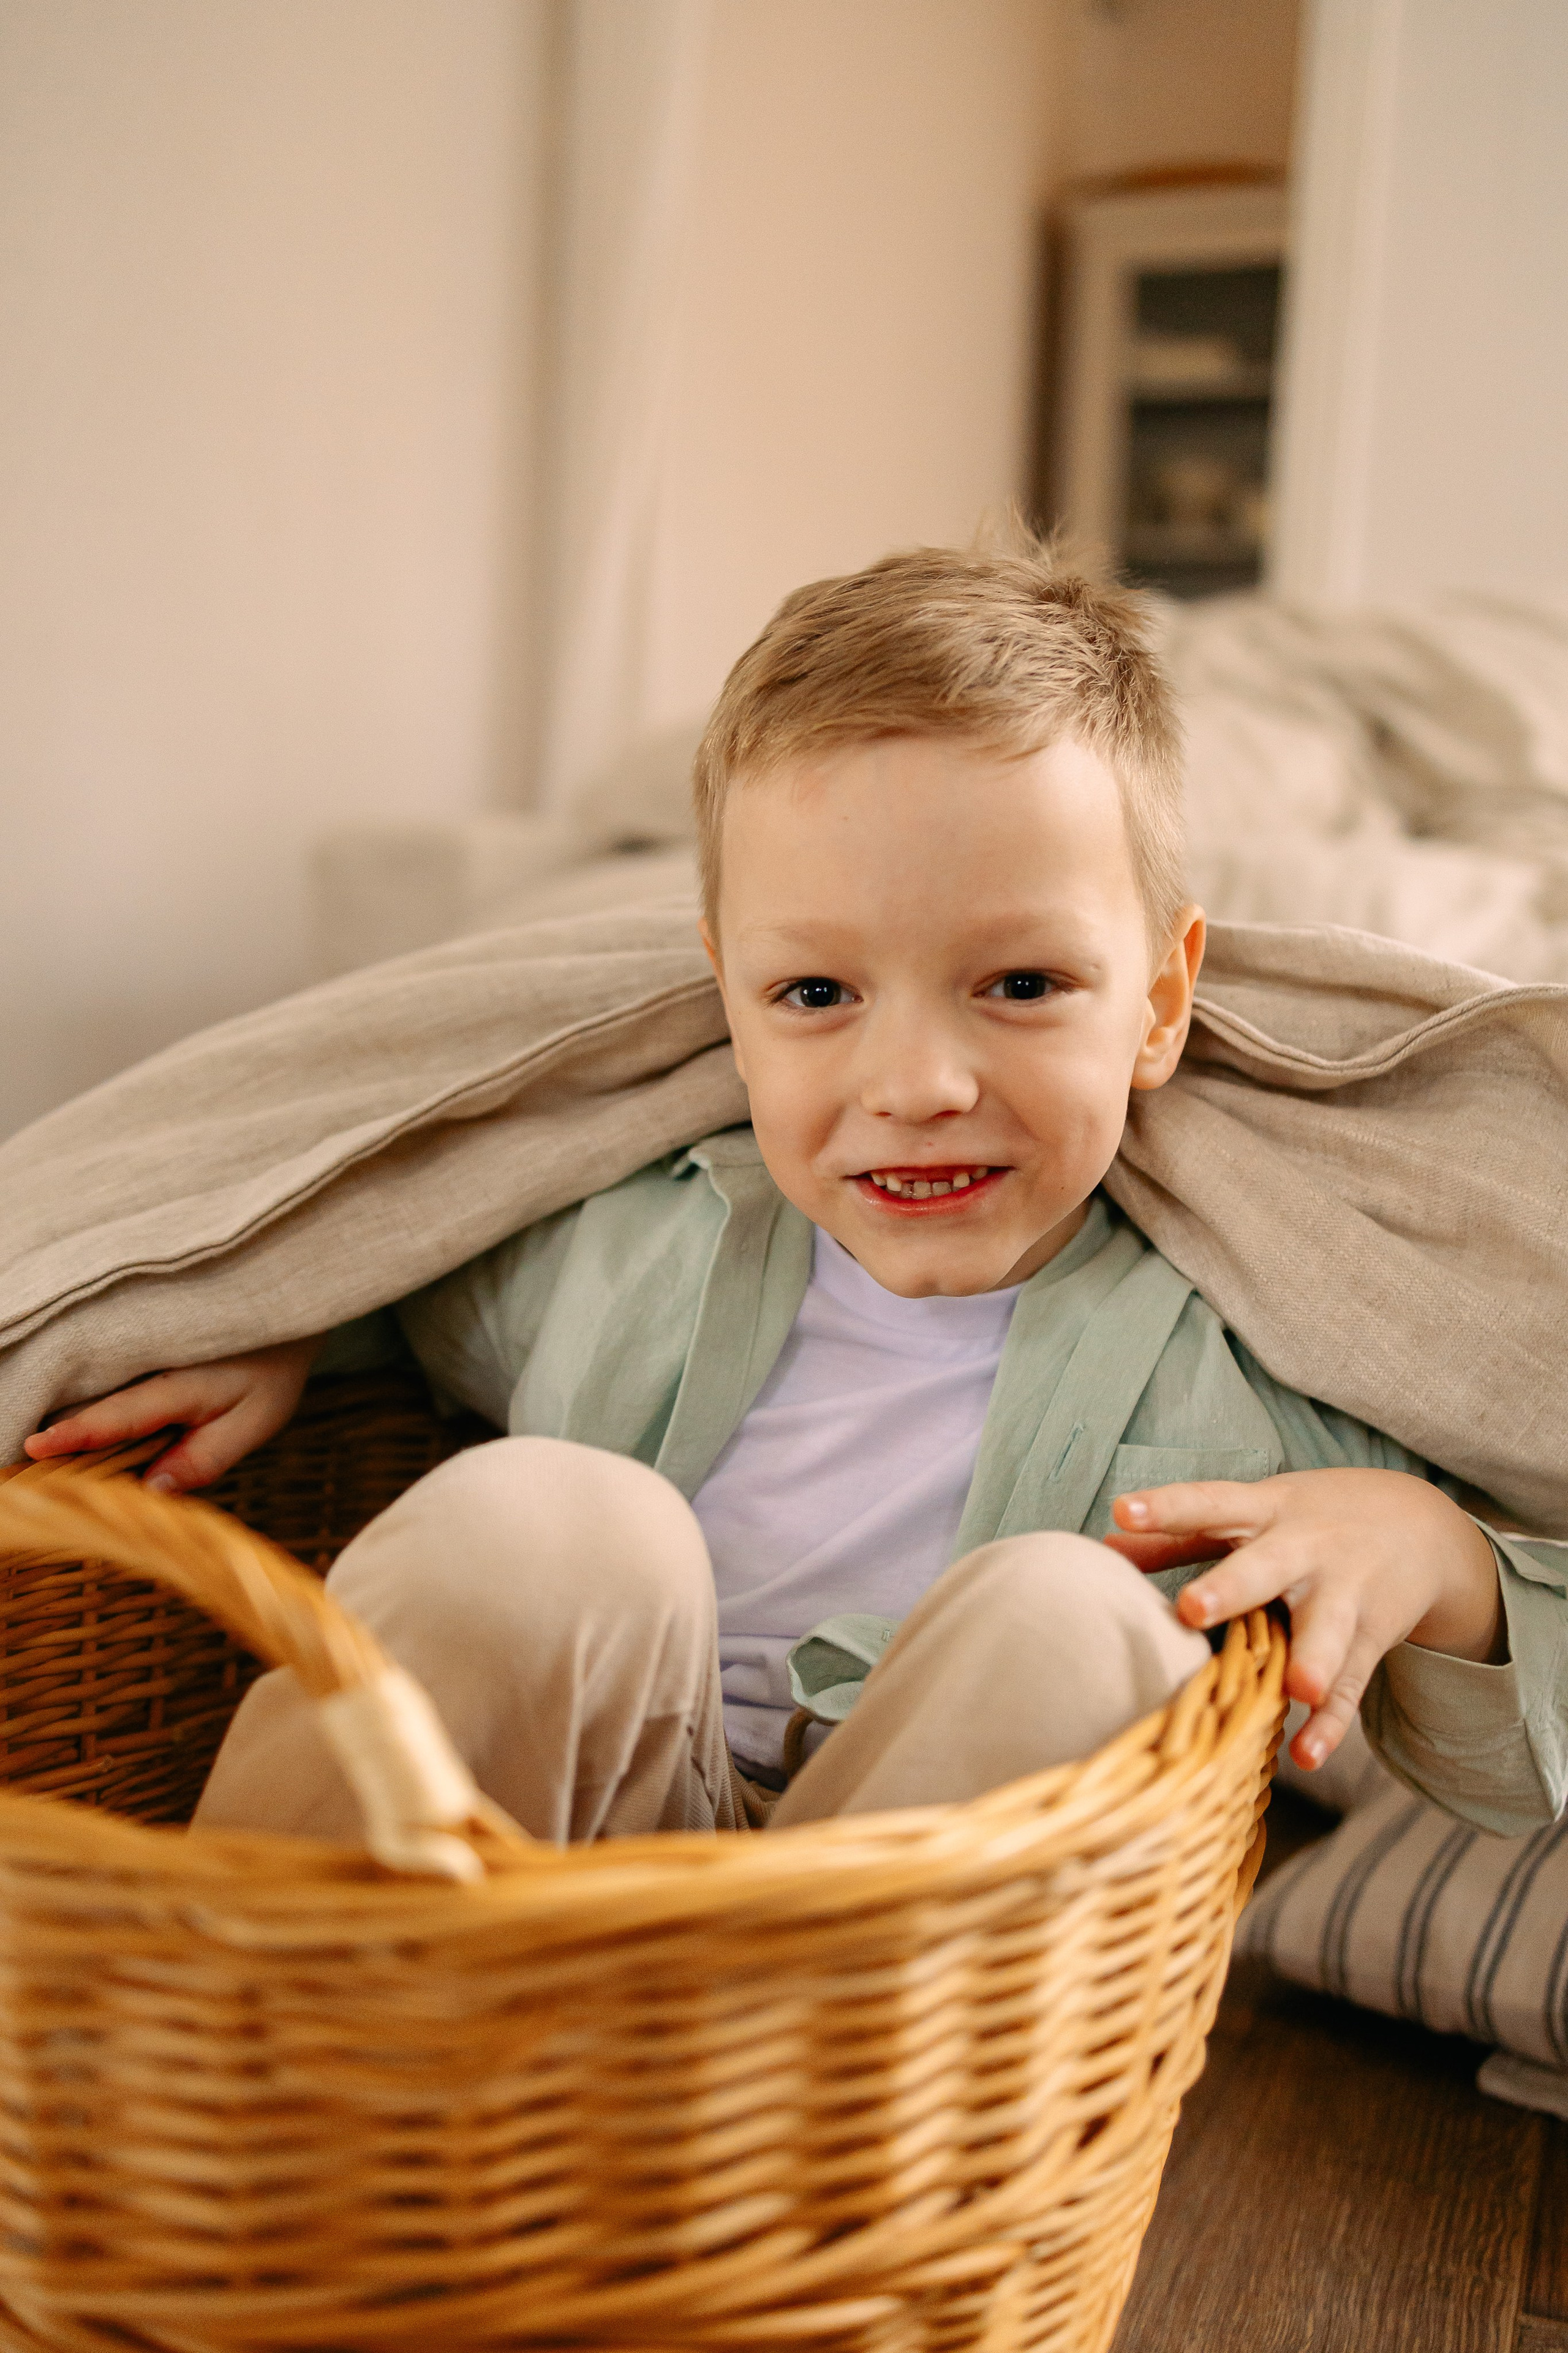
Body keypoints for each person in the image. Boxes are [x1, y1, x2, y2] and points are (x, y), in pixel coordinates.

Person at [26, 537, 1565, 1845]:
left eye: (1019, 983)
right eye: (817, 993)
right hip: (537, 1913)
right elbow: (404, 1254)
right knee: (547, 1518)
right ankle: (254, 2048)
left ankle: (798, 2170)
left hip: (895, 1999)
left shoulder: (1254, 1338)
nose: (915, 1083)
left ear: (1160, 1004)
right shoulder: (630, 1240)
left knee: (1072, 1612)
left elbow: (1517, 1728)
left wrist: (1429, 1555)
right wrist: (281, 1324)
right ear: (725, 998)